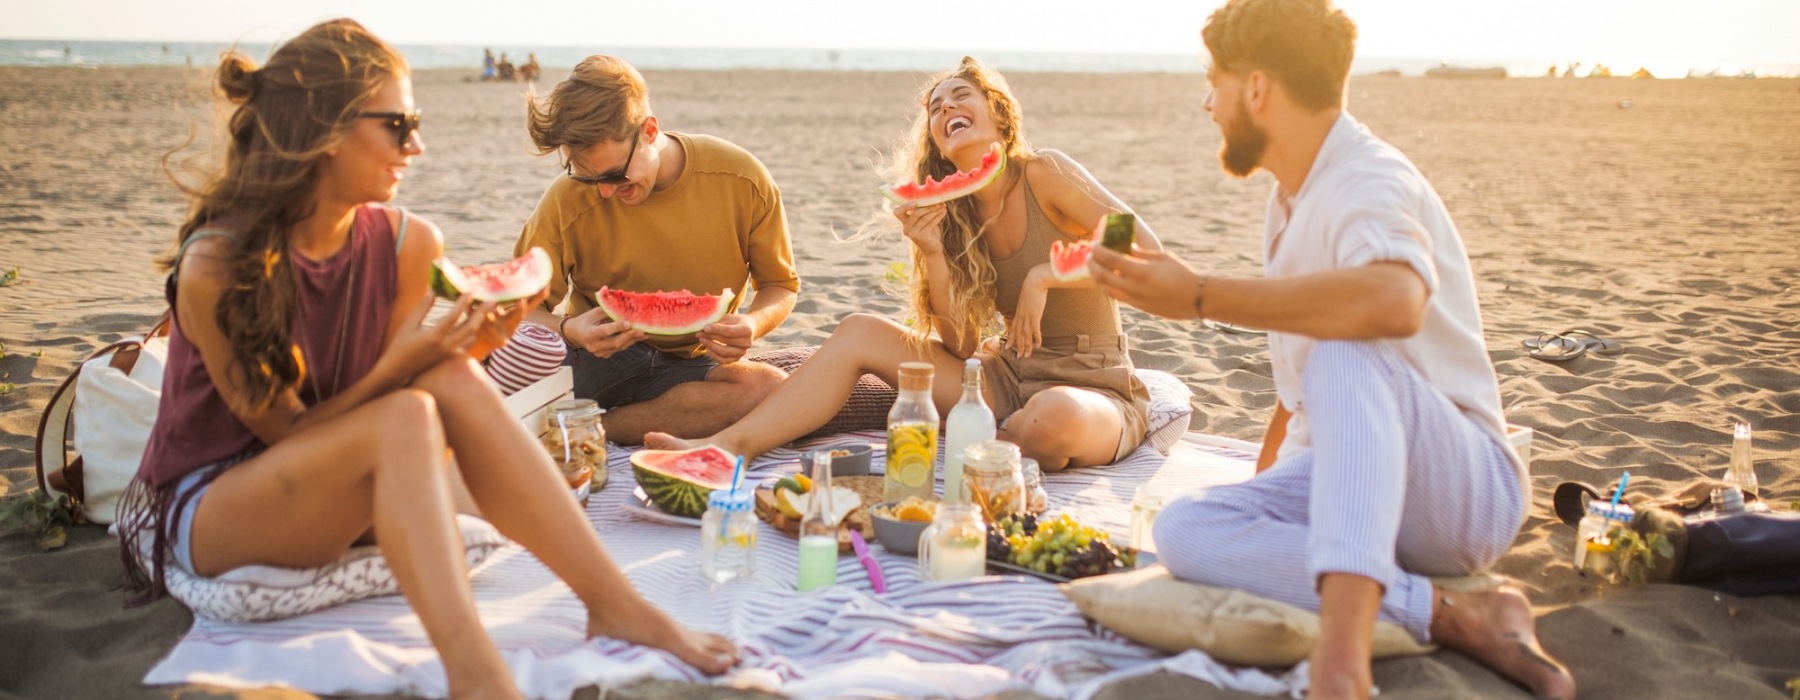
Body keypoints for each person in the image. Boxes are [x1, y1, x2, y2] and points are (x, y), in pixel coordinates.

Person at [115, 20, 737, 699]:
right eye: (398, 124)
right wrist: (399, 372)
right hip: (221, 504)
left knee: (445, 378)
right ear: (324, 130)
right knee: (411, 408)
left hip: (339, 483)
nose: (418, 145)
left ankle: (614, 604)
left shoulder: (409, 244)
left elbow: (377, 407)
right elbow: (289, 435)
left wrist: (461, 352)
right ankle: (477, 676)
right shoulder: (217, 265)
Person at [1083, 1, 1575, 698]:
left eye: (1214, 82)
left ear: (1256, 88)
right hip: (1358, 477)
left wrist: (1199, 296)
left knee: (1348, 349)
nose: (1207, 103)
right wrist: (1256, 499)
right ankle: (1455, 614)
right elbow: (1299, 405)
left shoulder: (1368, 179)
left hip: (1463, 492)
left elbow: (1394, 302)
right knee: (1187, 527)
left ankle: (1341, 668)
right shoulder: (1290, 198)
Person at [647, 56, 1159, 471]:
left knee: (1053, 418)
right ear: (936, 139)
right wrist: (934, 252)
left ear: (999, 114)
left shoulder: (1044, 171)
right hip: (1004, 380)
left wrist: (1045, 275)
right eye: (935, 108)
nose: (945, 109)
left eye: (961, 96)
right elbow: (958, 345)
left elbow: (1138, 238)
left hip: (1092, 382)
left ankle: (997, 443)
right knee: (858, 329)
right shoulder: (953, 214)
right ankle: (728, 447)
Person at [516, 55, 798, 444]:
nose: (605, 191)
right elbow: (519, 308)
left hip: (690, 365)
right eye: (589, 176)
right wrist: (570, 329)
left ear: (649, 130)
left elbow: (780, 285)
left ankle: (594, 430)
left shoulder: (740, 179)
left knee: (768, 388)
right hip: (594, 358)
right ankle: (580, 421)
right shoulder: (567, 199)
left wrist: (752, 324)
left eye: (615, 174)